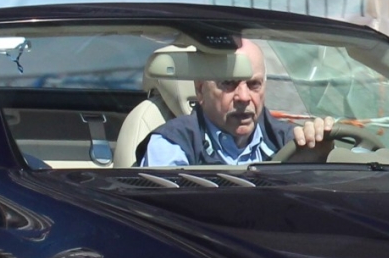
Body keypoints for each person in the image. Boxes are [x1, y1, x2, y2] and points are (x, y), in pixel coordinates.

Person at [138, 40, 332, 167]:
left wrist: (314, 162)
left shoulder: (290, 142)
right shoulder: (173, 143)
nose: (244, 97)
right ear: (200, 89)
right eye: (229, 84)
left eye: (253, 84)